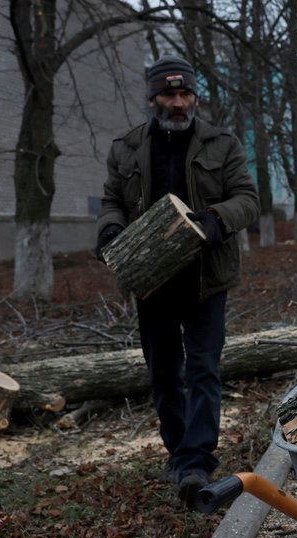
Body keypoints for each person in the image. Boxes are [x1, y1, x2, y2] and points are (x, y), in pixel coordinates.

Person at [96, 55, 260, 509]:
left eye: (184, 93)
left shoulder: (222, 144)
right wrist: (109, 230)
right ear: (152, 98)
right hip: (151, 279)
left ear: (194, 96)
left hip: (205, 278)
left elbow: (247, 200)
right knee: (164, 373)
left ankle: (197, 461)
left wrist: (215, 221)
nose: (177, 102)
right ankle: (178, 453)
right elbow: (112, 201)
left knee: (203, 368)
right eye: (168, 94)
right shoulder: (126, 147)